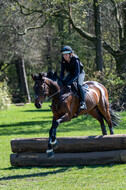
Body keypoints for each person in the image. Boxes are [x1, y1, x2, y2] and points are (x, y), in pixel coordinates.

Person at [60, 45, 87, 110]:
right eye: (64, 55)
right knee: (62, 83)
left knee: (79, 85)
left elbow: (77, 73)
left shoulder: (75, 59)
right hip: (71, 73)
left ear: (70, 54)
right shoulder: (63, 61)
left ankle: (83, 103)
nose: (65, 56)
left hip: (80, 73)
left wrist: (71, 81)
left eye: (66, 55)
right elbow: (62, 72)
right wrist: (60, 80)